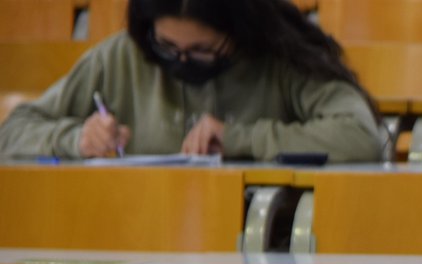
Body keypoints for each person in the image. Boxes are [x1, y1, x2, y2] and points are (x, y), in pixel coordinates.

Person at [0, 0, 384, 162]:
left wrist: (239, 139)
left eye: (201, 50)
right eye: (167, 47)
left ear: (238, 32)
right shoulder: (122, 56)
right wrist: (75, 138)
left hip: (257, 249)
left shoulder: (279, 57)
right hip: (137, 241)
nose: (182, 61)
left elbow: (359, 135)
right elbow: (13, 131)